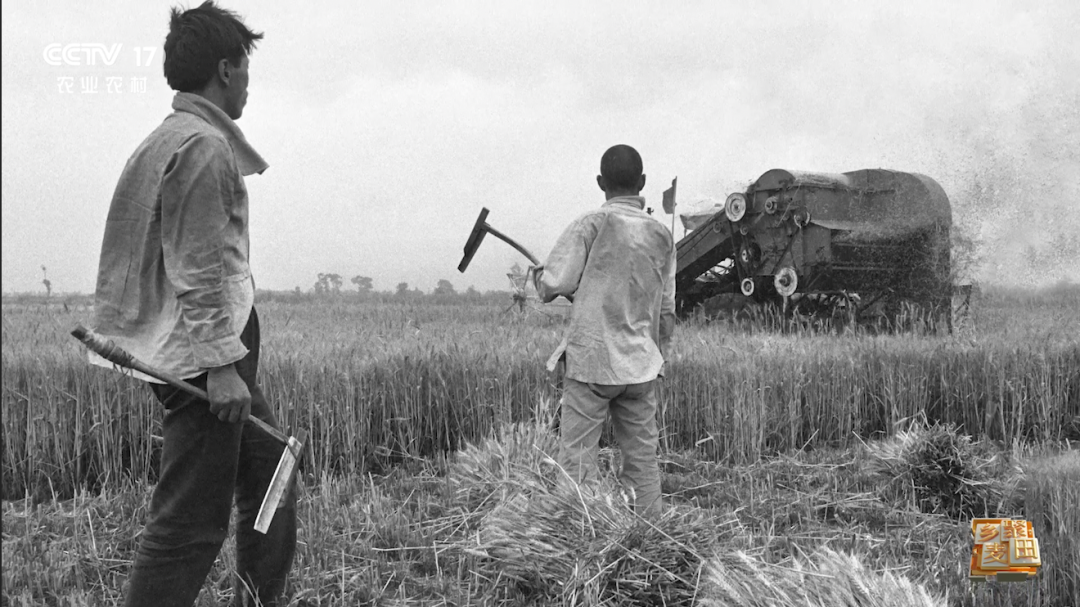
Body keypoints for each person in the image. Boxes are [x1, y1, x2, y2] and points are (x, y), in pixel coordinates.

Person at [89, 2, 295, 605]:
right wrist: (222, 366)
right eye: (245, 68)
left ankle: (260, 598)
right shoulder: (202, 146)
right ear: (226, 70)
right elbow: (197, 265)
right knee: (189, 522)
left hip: (202, 349)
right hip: (205, 357)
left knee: (273, 467)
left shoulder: (166, 138)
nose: (249, 82)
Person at [530, 144, 676, 517]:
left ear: (600, 182)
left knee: (577, 460)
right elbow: (666, 310)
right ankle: (650, 534)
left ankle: (576, 533)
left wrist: (539, 275)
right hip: (640, 365)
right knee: (642, 460)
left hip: (592, 364)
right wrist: (657, 356)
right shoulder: (661, 234)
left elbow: (553, 284)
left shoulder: (591, 224)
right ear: (642, 182)